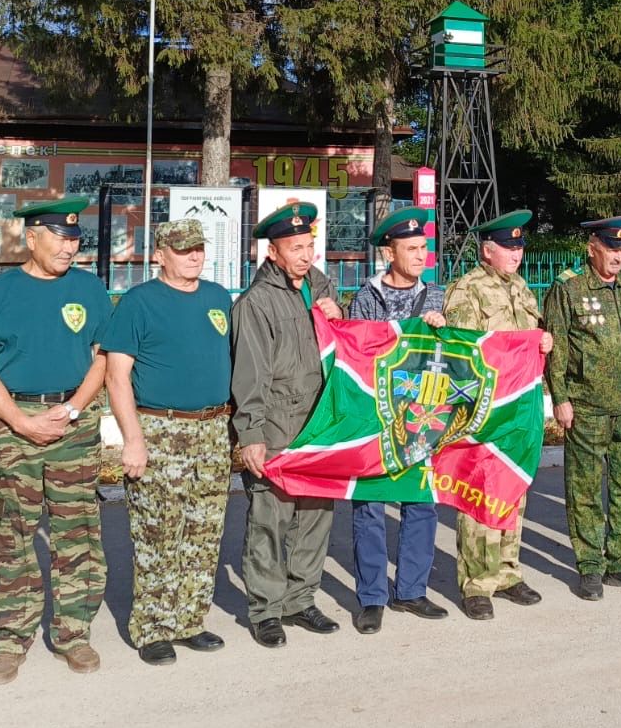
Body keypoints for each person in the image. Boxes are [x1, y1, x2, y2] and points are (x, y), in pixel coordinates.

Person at [0, 196, 114, 684]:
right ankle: (11, 640)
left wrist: (72, 410)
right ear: (32, 238)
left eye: (75, 239)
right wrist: (22, 421)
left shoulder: (90, 288)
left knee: (79, 534)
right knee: (13, 537)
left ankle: (73, 634)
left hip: (74, 422)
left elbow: (102, 359)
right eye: (61, 238)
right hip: (12, 427)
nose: (70, 247)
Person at [102, 219, 235, 666]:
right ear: (160, 254)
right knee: (158, 532)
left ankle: (190, 619)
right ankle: (153, 627)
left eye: (198, 248)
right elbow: (117, 376)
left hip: (213, 430)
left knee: (203, 530)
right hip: (161, 430)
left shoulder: (219, 299)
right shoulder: (138, 303)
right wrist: (132, 439)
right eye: (183, 250)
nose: (194, 256)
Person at [229, 202, 343, 648]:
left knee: (315, 517)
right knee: (270, 520)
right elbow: (248, 375)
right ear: (273, 252)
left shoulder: (319, 287)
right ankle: (266, 609)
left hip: (318, 424)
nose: (305, 254)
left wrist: (339, 316)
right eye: (295, 247)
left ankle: (300, 599)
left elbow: (345, 351)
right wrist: (251, 435)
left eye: (309, 245)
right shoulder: (256, 303)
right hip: (277, 425)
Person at [440, 209, 552, 620]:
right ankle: (476, 582)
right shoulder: (467, 289)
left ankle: (508, 571)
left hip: (518, 408)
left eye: (519, 247)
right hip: (484, 408)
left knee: (512, 489)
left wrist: (542, 343)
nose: (516, 254)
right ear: (487, 251)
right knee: (479, 494)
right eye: (508, 247)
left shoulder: (522, 288)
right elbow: (463, 349)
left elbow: (529, 338)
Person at [344, 207, 450, 634]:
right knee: (369, 508)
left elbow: (455, 355)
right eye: (411, 248)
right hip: (376, 419)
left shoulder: (437, 296)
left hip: (422, 417)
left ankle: (411, 590)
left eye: (423, 247)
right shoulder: (366, 298)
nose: (421, 255)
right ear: (390, 252)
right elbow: (355, 355)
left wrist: (442, 329)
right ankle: (372, 597)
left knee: (420, 504)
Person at [543, 216, 621, 600]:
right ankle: (590, 566)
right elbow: (556, 348)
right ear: (593, 246)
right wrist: (560, 398)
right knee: (585, 489)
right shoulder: (570, 288)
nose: (618, 256)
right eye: (612, 248)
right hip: (587, 406)